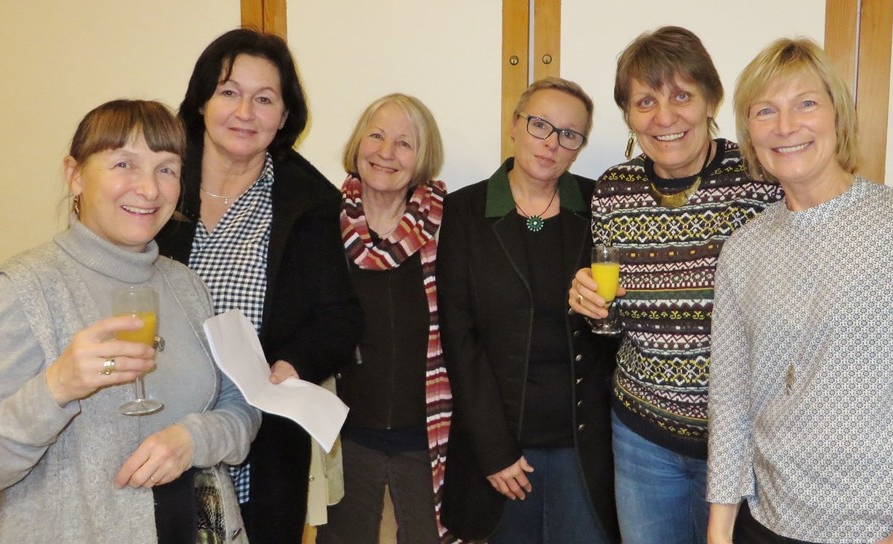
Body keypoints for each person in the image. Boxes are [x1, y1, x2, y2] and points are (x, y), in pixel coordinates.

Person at [706, 37, 893, 544]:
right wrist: (720, 529)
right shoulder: (743, 249)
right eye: (765, 110)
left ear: (838, 116)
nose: (785, 126)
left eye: (805, 103)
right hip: (770, 524)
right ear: (749, 134)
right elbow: (731, 402)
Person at [0, 99, 260, 543]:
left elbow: (241, 406)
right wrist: (55, 389)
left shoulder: (186, 286)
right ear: (74, 175)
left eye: (166, 169)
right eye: (124, 164)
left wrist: (193, 439)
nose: (149, 189)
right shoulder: (24, 291)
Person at [567, 26, 783, 544]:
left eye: (682, 96)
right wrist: (591, 305)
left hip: (747, 442)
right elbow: (613, 323)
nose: (664, 118)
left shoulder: (760, 178)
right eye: (645, 102)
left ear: (712, 99)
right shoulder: (614, 190)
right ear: (628, 115)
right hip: (643, 438)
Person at [156, 28, 361, 543]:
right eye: (229, 92)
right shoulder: (157, 182)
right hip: (156, 433)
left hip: (259, 444)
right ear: (201, 101)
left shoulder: (308, 201)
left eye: (264, 99)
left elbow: (339, 317)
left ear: (285, 115)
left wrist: (292, 364)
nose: (244, 112)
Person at [439, 77, 619, 544]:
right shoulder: (464, 211)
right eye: (540, 125)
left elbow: (620, 330)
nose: (552, 142)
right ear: (515, 125)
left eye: (569, 134)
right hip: (503, 449)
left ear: (579, 147)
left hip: (586, 446)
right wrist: (494, 450)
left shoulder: (602, 207)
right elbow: (459, 340)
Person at [317, 94, 452, 543]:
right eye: (376, 136)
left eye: (404, 143)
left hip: (428, 435)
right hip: (343, 435)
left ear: (422, 157)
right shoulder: (320, 223)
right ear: (358, 143)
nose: (386, 152)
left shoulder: (451, 225)